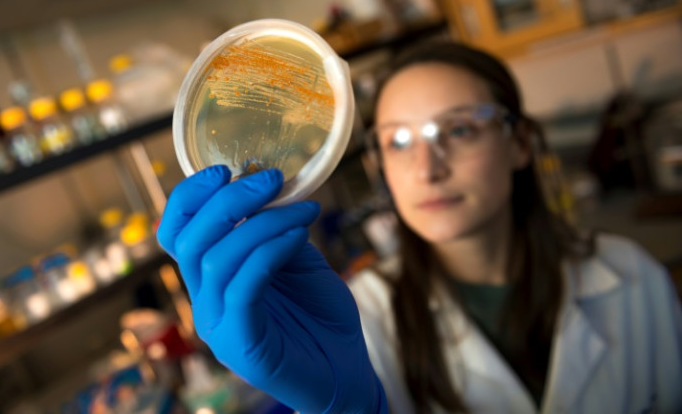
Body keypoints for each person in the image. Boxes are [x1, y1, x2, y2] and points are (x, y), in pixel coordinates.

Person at [157, 41, 682, 413]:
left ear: (519, 143)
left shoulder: (632, 276)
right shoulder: (357, 319)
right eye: (399, 142)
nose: (427, 168)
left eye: (458, 129)